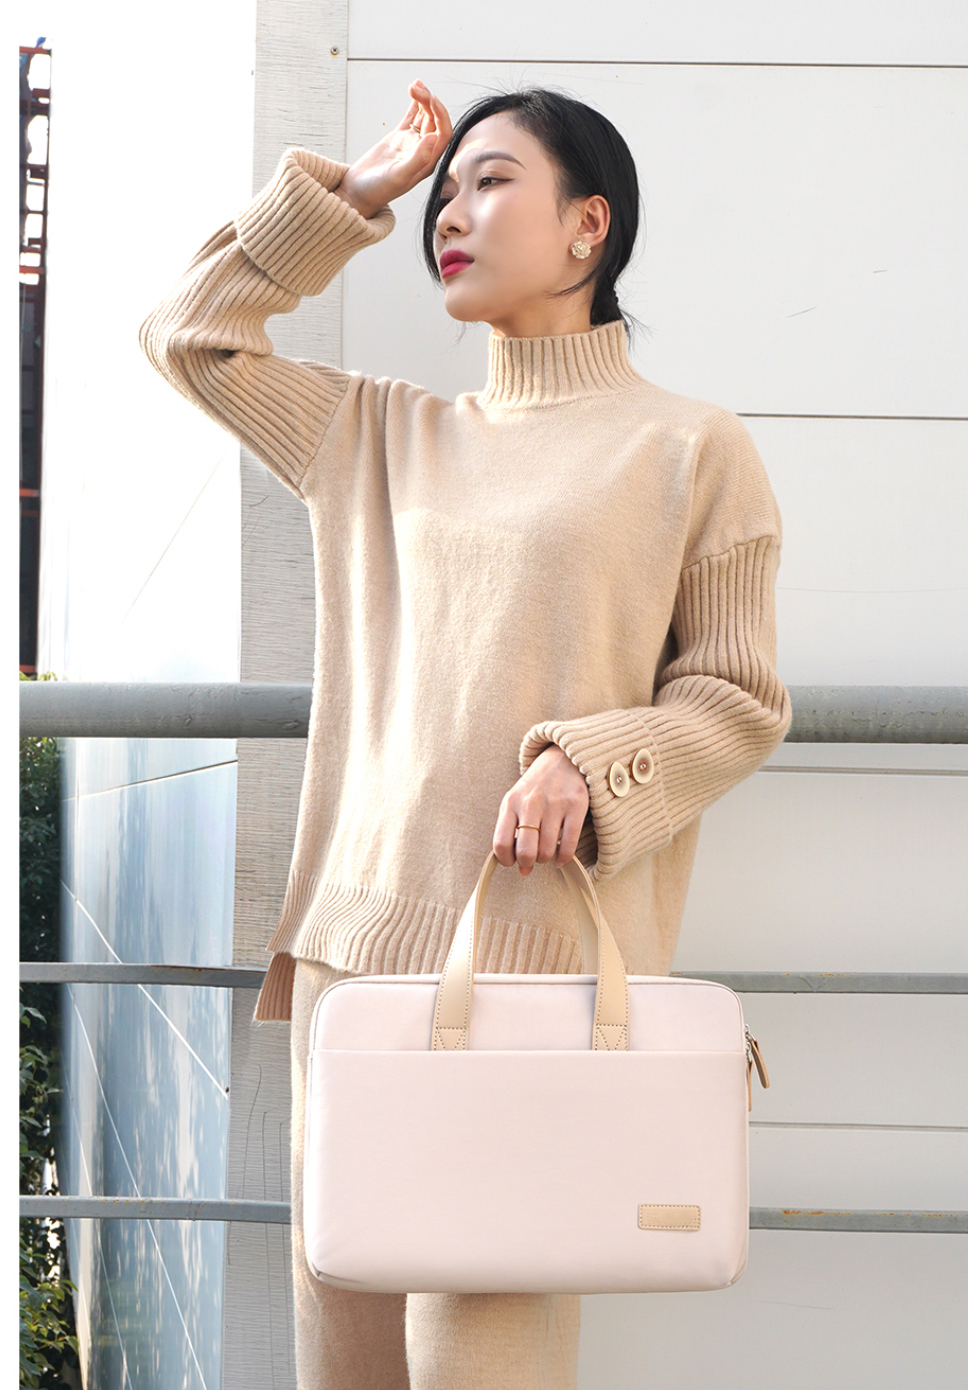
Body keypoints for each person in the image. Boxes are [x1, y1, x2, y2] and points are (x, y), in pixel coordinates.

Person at [141, 78, 792, 1390]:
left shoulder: (689, 449)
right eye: (445, 190)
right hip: (359, 975)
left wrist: (589, 762)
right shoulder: (379, 434)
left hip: (540, 984)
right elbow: (188, 334)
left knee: (481, 1369)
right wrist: (351, 197)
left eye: (491, 181)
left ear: (589, 226)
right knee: (348, 1366)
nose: (451, 211)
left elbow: (736, 696)